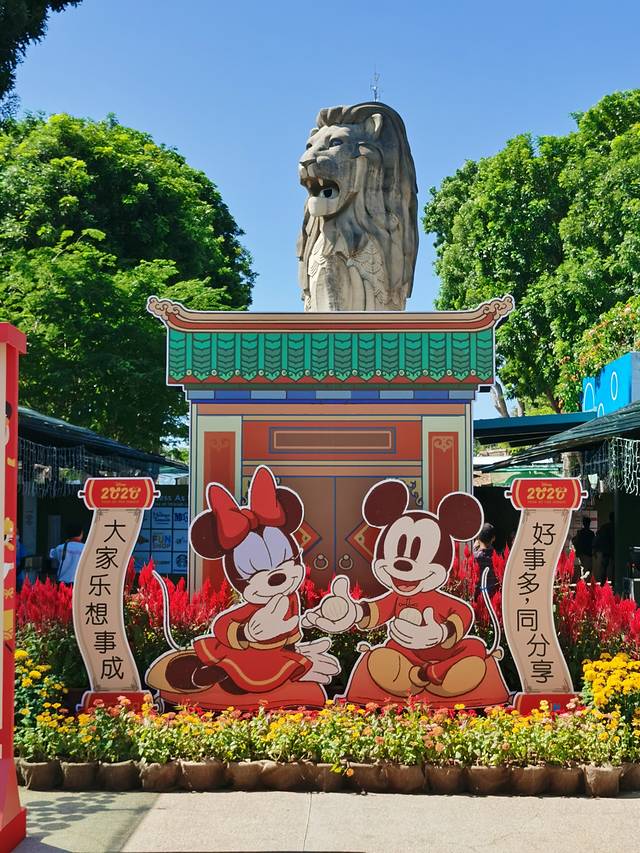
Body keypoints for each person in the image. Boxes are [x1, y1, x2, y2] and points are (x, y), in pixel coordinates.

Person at [473, 522, 498, 597]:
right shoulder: (496, 558)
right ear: (493, 538)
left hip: (477, 597)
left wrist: (475, 546)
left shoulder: (475, 557)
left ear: (477, 537)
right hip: (492, 596)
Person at [593, 513, 615, 585]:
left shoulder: (604, 527)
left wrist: (595, 548)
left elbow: (598, 537)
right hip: (614, 550)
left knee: (604, 567)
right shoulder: (617, 527)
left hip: (606, 550)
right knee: (614, 567)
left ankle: (603, 582)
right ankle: (614, 581)